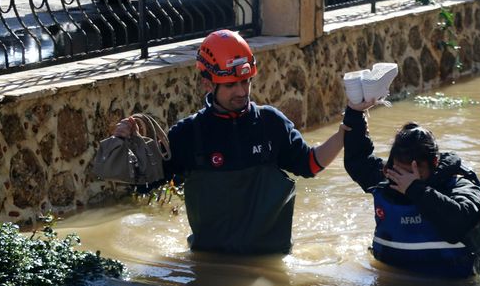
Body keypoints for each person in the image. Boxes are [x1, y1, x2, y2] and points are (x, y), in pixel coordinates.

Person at [112, 29, 347, 255]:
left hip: (269, 259)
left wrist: (342, 135)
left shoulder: (271, 124)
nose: (242, 91)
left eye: (246, 82)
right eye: (231, 85)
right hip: (209, 263)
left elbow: (310, 164)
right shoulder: (188, 134)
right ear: (207, 84)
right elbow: (142, 183)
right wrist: (127, 145)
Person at [342, 108, 480, 278]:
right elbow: (357, 160)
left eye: (412, 173)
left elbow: (460, 222)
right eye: (400, 171)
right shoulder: (389, 178)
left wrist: (415, 189)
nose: (403, 179)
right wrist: (355, 112)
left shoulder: (459, 185)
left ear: (434, 162)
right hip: (392, 282)